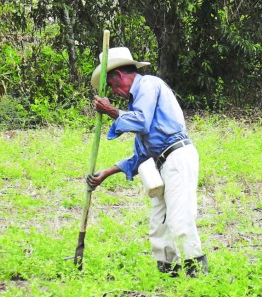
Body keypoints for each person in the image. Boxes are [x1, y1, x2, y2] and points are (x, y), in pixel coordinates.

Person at [86, 47, 208, 277]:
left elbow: (141, 122)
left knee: (179, 219)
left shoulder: (148, 85)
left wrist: (112, 112)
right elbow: (141, 155)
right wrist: (107, 173)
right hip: (161, 162)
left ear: (120, 76)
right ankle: (169, 274)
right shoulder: (136, 102)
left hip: (177, 157)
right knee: (158, 225)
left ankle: (197, 275)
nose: (115, 92)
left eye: (113, 86)